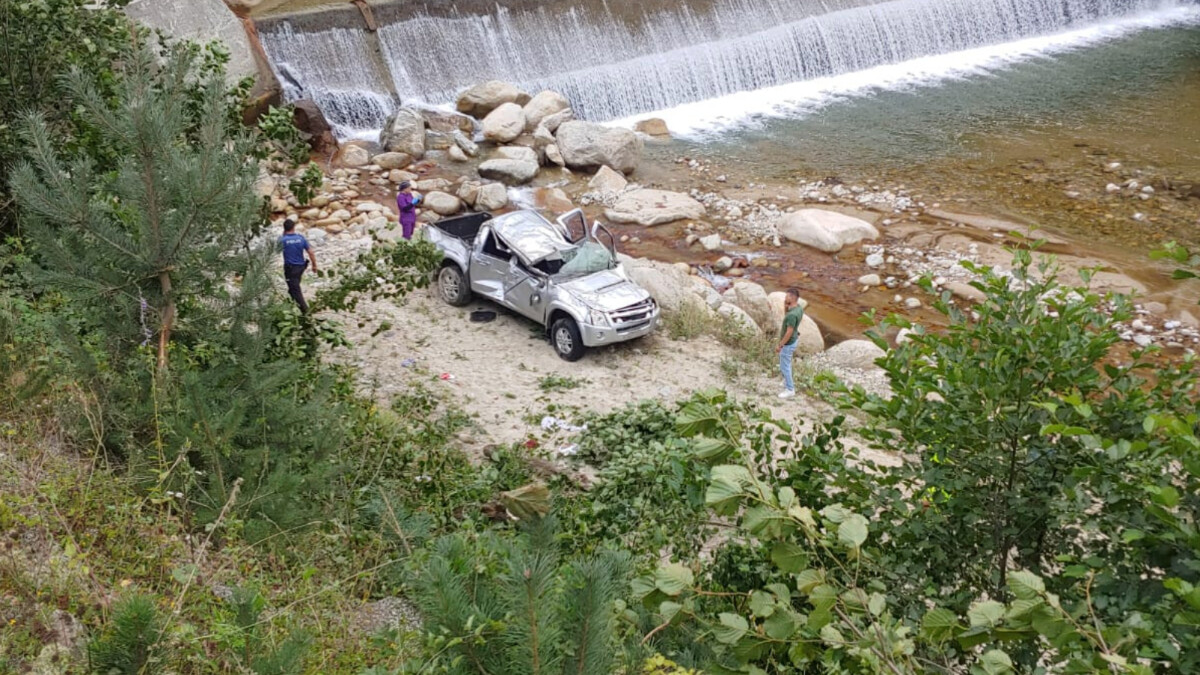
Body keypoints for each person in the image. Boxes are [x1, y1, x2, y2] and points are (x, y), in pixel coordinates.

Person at [279, 218, 318, 313]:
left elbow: (275, 251)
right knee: (292, 288)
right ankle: (293, 309)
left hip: (290, 269)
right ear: (294, 227)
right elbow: (311, 252)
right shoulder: (300, 238)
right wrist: (314, 265)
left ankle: (306, 313)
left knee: (295, 290)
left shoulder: (283, 240)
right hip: (301, 267)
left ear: (284, 228)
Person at [776, 288, 804, 399]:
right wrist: (785, 306)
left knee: (785, 365)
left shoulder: (792, 315)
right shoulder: (799, 309)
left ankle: (790, 389)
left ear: (792, 298)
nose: (785, 298)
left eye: (787, 296)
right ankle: (786, 380)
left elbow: (789, 331)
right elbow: (786, 317)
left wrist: (780, 345)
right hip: (794, 339)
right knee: (786, 364)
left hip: (788, 342)